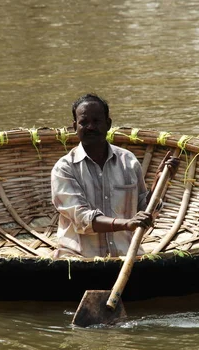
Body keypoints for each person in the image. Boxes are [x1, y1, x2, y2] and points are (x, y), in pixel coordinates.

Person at [50, 93, 179, 258]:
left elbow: (143, 212)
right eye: (84, 122)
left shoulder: (128, 161)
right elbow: (82, 219)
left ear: (108, 124)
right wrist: (127, 224)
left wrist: (158, 183)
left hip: (127, 255)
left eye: (96, 121)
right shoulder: (64, 168)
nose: (90, 127)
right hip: (79, 258)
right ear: (75, 127)